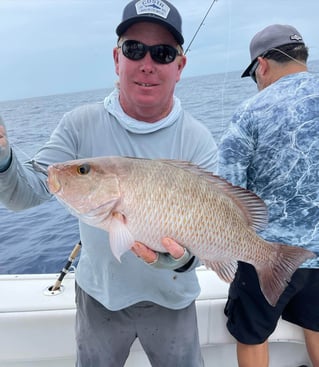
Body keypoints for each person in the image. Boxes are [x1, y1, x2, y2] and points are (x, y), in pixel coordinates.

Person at [0, 1, 218, 366]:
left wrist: (175, 261)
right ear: (117, 59)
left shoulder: (198, 141)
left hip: (173, 300)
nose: (147, 64)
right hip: (99, 298)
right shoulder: (77, 125)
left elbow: (203, 240)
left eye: (163, 53)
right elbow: (28, 192)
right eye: (135, 50)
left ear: (179, 67)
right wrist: (4, 156)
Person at [217, 24, 319, 367]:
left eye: (253, 74)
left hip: (266, 257)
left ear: (261, 65)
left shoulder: (250, 112)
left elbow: (226, 189)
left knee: (252, 334)